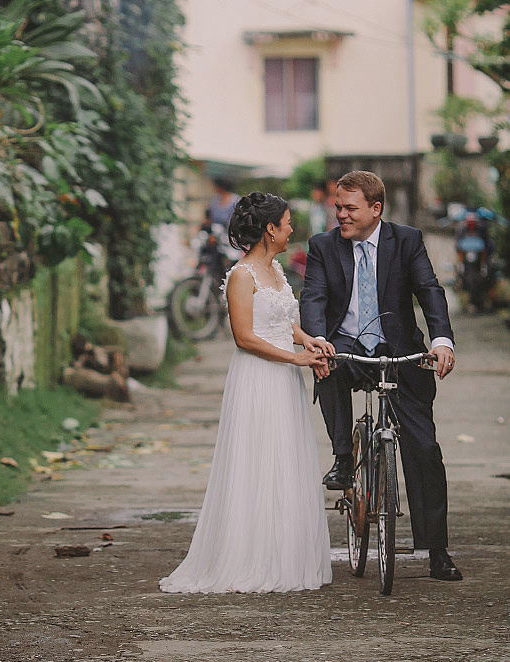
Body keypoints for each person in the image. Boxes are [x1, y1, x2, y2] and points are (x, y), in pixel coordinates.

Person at [160, 192, 333, 594]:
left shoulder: (276, 270)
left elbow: (286, 322)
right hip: (258, 376)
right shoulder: (242, 275)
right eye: (287, 222)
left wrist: (310, 341)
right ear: (270, 229)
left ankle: (283, 554)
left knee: (284, 459)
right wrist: (295, 360)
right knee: (257, 461)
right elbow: (244, 337)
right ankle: (249, 557)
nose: (292, 229)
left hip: (285, 376)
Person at [300, 170, 462, 582]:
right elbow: (314, 296)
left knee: (425, 449)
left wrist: (442, 339)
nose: (340, 215)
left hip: (401, 349)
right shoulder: (322, 245)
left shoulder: (406, 240)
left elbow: (429, 290)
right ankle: (342, 457)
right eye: (337, 206)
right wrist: (316, 340)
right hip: (347, 347)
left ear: (376, 208)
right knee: (327, 364)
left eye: (349, 208)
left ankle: (436, 549)